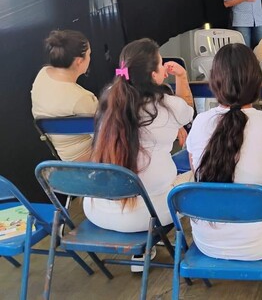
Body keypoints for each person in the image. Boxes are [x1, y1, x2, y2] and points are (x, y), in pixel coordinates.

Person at [186, 43, 262, 260]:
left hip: (207, 241)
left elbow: (196, 174)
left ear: (214, 81)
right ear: (257, 81)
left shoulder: (200, 122)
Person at [84, 38, 194, 233]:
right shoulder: (168, 105)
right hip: (148, 215)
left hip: (96, 210)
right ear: (153, 75)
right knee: (199, 175)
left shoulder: (110, 97)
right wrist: (182, 77)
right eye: (161, 63)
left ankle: (142, 252)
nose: (163, 66)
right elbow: (188, 111)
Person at [31, 30, 98, 161]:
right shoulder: (80, 98)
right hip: (89, 157)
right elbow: (106, 132)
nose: (90, 58)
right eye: (89, 54)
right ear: (79, 61)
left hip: (64, 158)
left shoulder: (43, 74)